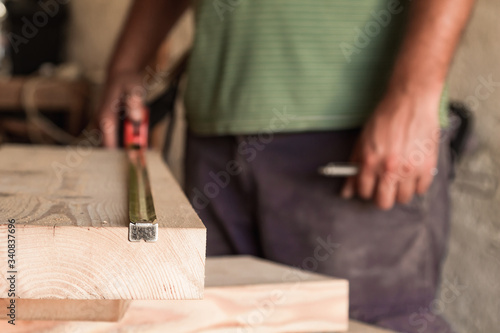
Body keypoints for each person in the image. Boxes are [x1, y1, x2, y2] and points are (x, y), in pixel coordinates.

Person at [98, 0, 475, 331]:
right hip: (216, 131)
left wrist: (414, 92)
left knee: (359, 323)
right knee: (214, 321)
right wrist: (128, 63)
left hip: (353, 137)